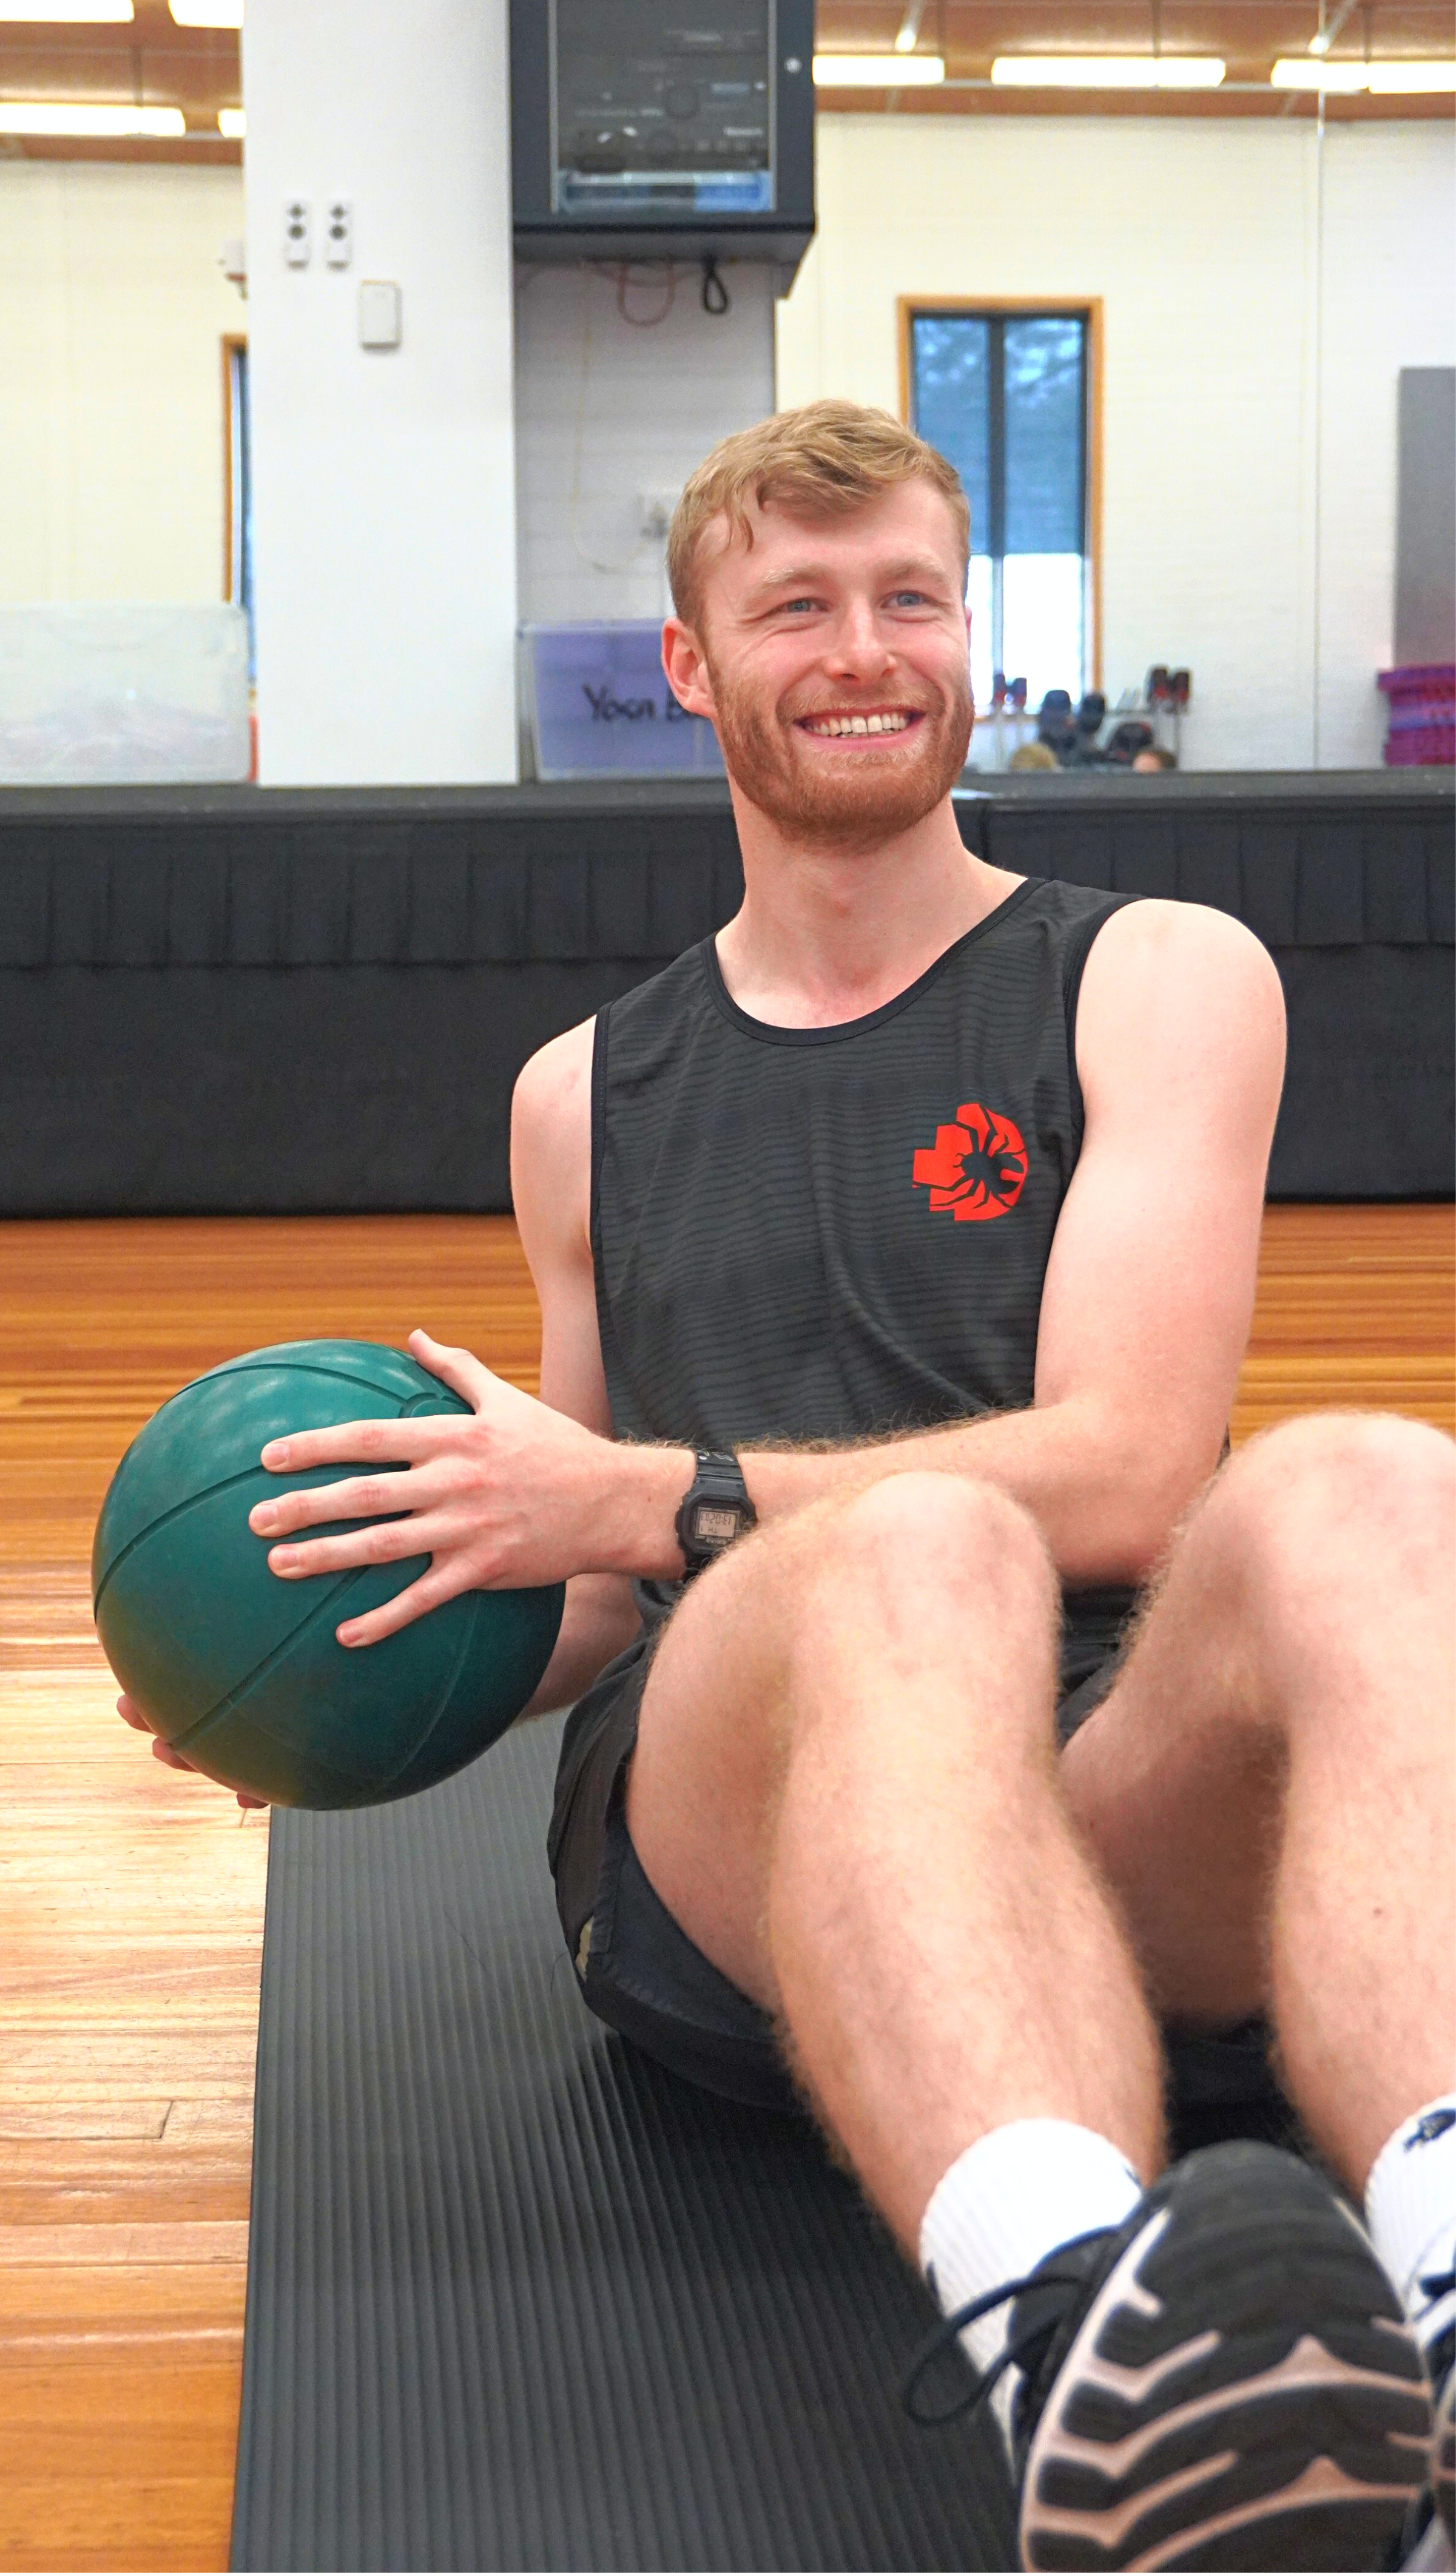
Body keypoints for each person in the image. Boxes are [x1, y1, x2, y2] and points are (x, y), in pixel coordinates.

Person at [118, 401, 1454, 2573]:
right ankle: (1081, 2349)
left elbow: (1129, 1473)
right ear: (691, 664)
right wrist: (325, 1657)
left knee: (1379, 1485)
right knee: (913, 1547)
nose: (864, 651)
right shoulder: (584, 1096)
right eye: (797, 607)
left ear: (970, 636)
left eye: (911, 597)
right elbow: (581, 1588)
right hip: (731, 1831)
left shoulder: (1157, 975)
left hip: (1102, 1769)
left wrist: (627, 1497)